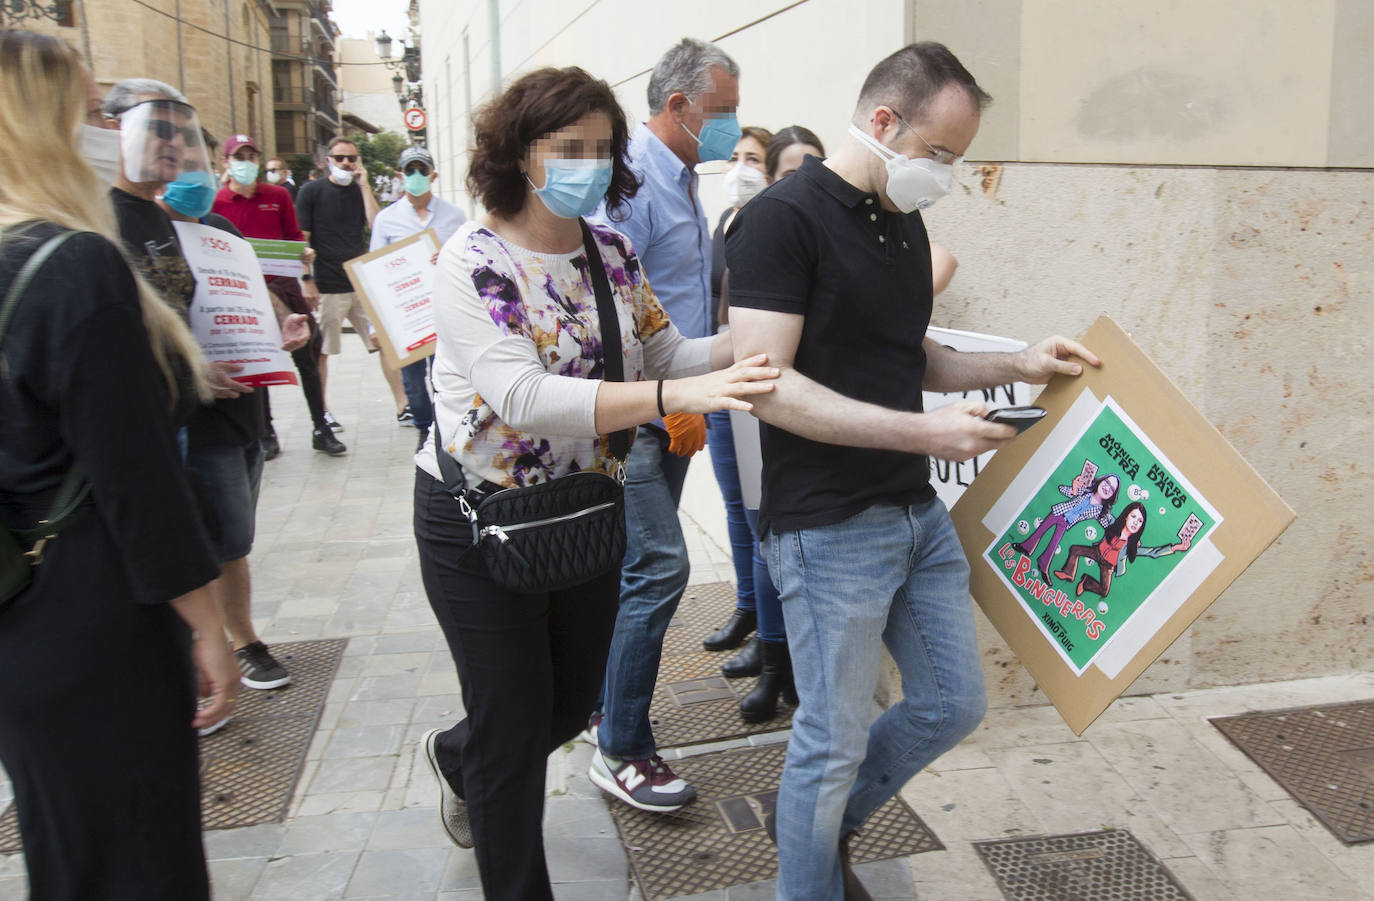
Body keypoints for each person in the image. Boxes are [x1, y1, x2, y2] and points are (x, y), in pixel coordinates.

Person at [726, 42, 1101, 899]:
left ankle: (821, 841)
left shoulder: (901, 215)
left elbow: (916, 355)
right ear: (885, 122)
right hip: (826, 530)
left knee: (949, 705)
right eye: (942, 154)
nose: (948, 175)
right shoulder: (781, 221)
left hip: (911, 516)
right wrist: (921, 436)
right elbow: (767, 386)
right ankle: (809, 877)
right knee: (830, 739)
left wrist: (1022, 359)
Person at [411, 66, 777, 901]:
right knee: (513, 731)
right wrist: (668, 398)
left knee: (570, 700)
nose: (586, 163)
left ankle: (456, 753)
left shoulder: (608, 250)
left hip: (578, 510)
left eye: (601, 149)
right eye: (566, 148)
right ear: (517, 153)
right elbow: (524, 397)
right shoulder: (472, 262)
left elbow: (666, 353)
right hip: (478, 518)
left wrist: (748, 342)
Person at [0, 30, 239, 899]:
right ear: (43, 124)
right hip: (97, 614)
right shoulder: (74, 265)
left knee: (69, 851)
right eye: (96, 111)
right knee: (143, 859)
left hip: (19, 617)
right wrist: (210, 624)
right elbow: (138, 484)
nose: (113, 129)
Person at [584, 36, 741, 814]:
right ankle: (622, 745)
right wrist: (660, 403)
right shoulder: (638, 182)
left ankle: (605, 703)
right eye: (723, 112)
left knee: (630, 567)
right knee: (658, 567)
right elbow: (617, 312)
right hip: (643, 410)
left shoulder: (680, 176)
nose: (733, 128)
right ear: (677, 106)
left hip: (677, 399)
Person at [102, 79, 299, 692]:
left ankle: (230, 638)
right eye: (161, 134)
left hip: (240, 409)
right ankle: (222, 646)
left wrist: (278, 324)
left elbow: (242, 290)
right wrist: (190, 370)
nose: (176, 153)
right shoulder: (104, 224)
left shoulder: (214, 229)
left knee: (232, 537)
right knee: (209, 537)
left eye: (184, 140)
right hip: (188, 419)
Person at [212, 133, 345, 457]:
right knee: (258, 359)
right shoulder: (218, 203)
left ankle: (320, 426)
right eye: (239, 157)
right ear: (227, 163)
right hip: (242, 292)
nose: (246, 163)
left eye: (251, 156)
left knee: (307, 355)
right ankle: (266, 431)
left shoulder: (277, 196)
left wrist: (306, 272)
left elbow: (294, 239)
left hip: (283, 288)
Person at [701, 126, 773, 663]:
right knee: (734, 505)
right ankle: (747, 606)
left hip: (754, 386)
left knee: (757, 511)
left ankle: (769, 633)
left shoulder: (771, 223)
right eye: (735, 157)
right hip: (719, 383)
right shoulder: (722, 222)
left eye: (753, 159)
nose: (740, 167)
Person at [294, 135, 409, 429]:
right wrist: (307, 279)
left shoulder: (360, 191)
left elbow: (376, 225)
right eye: (340, 158)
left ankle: (402, 404)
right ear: (328, 162)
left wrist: (364, 185)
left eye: (352, 158)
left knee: (385, 343)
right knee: (322, 351)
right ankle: (322, 412)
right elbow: (302, 239)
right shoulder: (312, 192)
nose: (347, 163)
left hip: (362, 282)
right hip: (328, 283)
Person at [368, 144, 467, 451]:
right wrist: (376, 328)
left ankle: (444, 430)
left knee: (445, 375)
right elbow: (373, 272)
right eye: (409, 170)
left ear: (433, 175)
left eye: (421, 170)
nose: (415, 175)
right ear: (401, 175)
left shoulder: (454, 215)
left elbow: (468, 257)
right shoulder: (387, 219)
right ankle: (424, 431)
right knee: (412, 382)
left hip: (443, 311)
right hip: (406, 318)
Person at [1054, 501, 1192, 599]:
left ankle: (1086, 582)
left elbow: (1152, 552)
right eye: (1133, 517)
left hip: (1108, 565)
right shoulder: (1114, 524)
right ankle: (1068, 573)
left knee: (1104, 592)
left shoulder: (1132, 545)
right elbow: (1105, 512)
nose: (1135, 522)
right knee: (1074, 549)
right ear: (1126, 516)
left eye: (1139, 521)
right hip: (1097, 552)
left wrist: (1175, 548)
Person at [1013, 472, 1121, 583]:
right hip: (1059, 512)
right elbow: (1061, 489)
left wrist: (1119, 532)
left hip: (1067, 522)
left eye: (1112, 489)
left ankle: (1043, 563)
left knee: (1053, 544)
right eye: (1107, 482)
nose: (1107, 488)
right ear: (1100, 481)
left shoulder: (1100, 511)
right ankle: (1026, 547)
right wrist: (1073, 490)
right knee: (1040, 530)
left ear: (1113, 495)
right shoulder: (1086, 490)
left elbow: (1107, 525)